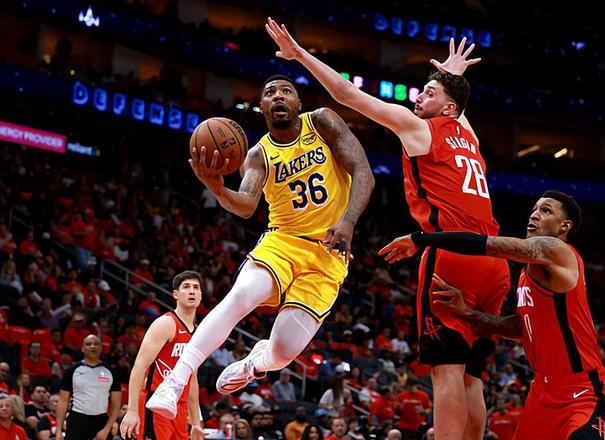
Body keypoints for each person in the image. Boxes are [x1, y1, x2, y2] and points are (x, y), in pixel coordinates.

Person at [266, 19, 509, 440]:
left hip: (452, 255)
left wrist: (300, 55)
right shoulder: (468, 137)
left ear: (446, 108)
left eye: (429, 92)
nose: (419, 96)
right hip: (494, 261)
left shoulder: (421, 128)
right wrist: (451, 77)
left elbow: (347, 95)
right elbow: (458, 105)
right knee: (472, 376)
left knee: (446, 371)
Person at [146, 73, 374, 419]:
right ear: (262, 107)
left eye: (286, 91)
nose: (278, 96)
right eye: (270, 93)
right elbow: (246, 205)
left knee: (284, 352)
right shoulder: (258, 154)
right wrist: (217, 188)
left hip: (328, 253)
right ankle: (175, 380)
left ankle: (255, 363)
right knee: (241, 295)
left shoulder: (322, 122)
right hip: (283, 241)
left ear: (298, 103)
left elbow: (363, 171)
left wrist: (348, 221)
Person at [380, 190, 605, 439]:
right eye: (535, 209)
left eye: (546, 211)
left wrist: (422, 238)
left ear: (564, 226)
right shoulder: (527, 275)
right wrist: (468, 312)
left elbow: (487, 245)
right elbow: (519, 329)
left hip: (581, 390)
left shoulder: (558, 250)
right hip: (542, 393)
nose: (534, 215)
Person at [119, 271, 205, 439]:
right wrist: (132, 410)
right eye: (186, 287)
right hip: (156, 401)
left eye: (196, 287)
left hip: (180, 407)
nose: (192, 291)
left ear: (201, 295)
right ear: (175, 294)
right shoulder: (165, 324)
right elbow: (139, 366)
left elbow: (192, 378)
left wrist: (195, 422)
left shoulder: (199, 333)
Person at [55, 335, 122, 440]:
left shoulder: (111, 372)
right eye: (88, 344)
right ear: (82, 348)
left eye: (96, 344)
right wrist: (58, 431)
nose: (92, 346)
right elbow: (63, 401)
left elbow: (116, 405)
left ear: (101, 348)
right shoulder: (72, 371)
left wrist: (106, 429)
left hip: (101, 421)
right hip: (77, 420)